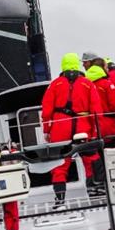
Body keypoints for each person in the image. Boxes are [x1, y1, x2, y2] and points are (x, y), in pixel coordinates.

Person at [41, 53, 103, 206]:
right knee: (91, 159)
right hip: (83, 126)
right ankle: (96, 191)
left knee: (60, 164)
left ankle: (60, 198)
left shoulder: (54, 84)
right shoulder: (88, 84)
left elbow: (46, 111)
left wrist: (47, 130)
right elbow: (96, 111)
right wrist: (95, 131)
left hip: (60, 127)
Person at [86, 64, 115, 146]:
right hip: (108, 124)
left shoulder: (86, 86)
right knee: (111, 153)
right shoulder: (107, 84)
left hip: (92, 125)